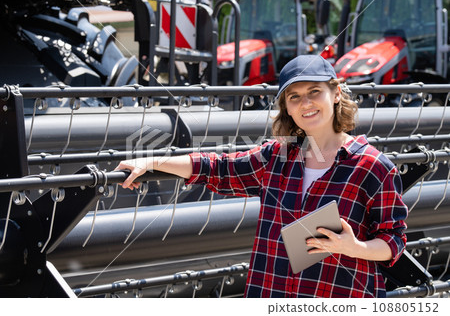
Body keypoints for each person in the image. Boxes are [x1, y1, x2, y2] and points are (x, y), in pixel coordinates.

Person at [115, 55, 408, 298]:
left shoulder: (372, 166)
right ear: (287, 109)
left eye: (314, 91)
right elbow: (216, 167)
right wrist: (153, 160)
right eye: (294, 97)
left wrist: (353, 247)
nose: (305, 103)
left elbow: (393, 240)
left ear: (336, 94)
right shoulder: (276, 158)